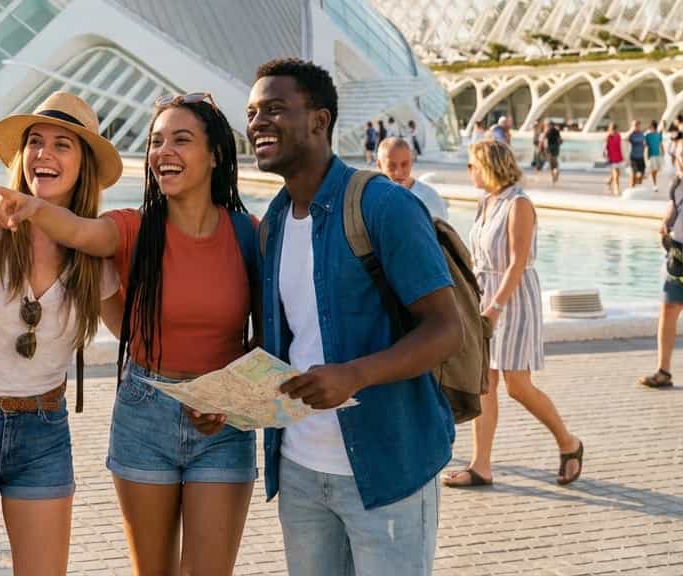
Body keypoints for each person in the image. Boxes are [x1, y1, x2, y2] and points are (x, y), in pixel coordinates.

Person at [0, 92, 260, 575]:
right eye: (156, 141)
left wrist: (234, 395)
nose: (163, 152)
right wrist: (31, 206)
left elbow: (269, 333)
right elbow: (79, 231)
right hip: (145, 413)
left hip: (221, 424)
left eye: (181, 140)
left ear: (215, 154)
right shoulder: (132, 227)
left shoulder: (249, 234)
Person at [246, 59, 461, 576]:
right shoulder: (273, 223)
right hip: (299, 469)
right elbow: (288, 343)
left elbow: (445, 327)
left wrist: (355, 375)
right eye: (252, 112)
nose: (257, 123)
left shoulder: (384, 205)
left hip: (388, 468)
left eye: (274, 109)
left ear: (319, 121)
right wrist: (229, 402)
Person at [0, 92, 122, 576]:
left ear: (83, 165)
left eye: (61, 145)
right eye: (35, 142)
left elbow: (136, 337)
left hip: (42, 430)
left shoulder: (93, 250)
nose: (43, 154)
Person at [444, 141, 583, 489]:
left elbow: (517, 263)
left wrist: (496, 307)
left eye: (473, 165)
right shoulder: (487, 202)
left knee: (518, 386)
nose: (469, 171)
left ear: (489, 166)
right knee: (485, 384)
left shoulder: (518, 203)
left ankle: (569, 442)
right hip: (485, 295)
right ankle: (481, 466)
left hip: (513, 300)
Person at [639, 170, 683, 388]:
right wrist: (667, 221)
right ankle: (663, 371)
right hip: (677, 254)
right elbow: (674, 205)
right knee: (668, 307)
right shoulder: (678, 181)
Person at [377, 136, 448, 221]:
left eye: (404, 164)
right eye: (392, 166)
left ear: (411, 162)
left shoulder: (429, 198)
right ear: (379, 165)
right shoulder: (373, 198)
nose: (399, 172)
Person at [605, 123, 625, 195]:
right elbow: (606, 148)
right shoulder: (608, 137)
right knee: (616, 175)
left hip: (619, 157)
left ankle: (609, 182)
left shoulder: (619, 136)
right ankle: (617, 190)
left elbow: (621, 146)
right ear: (609, 130)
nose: (614, 131)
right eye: (612, 129)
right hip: (612, 159)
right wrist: (607, 157)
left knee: (617, 174)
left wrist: (623, 156)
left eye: (615, 129)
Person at [645, 120, 664, 191]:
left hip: (658, 154)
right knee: (653, 169)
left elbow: (660, 144)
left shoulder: (658, 134)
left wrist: (663, 152)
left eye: (651, 126)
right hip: (651, 155)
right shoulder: (647, 135)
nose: (650, 128)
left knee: (656, 169)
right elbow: (646, 146)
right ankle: (654, 184)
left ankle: (649, 176)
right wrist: (646, 156)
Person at [628, 120, 647, 188]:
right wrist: (631, 131)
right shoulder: (630, 134)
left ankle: (637, 183)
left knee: (642, 175)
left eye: (637, 125)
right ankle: (631, 187)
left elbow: (645, 144)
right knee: (634, 174)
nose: (636, 126)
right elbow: (625, 139)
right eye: (635, 125)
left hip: (641, 157)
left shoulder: (641, 134)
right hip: (633, 157)